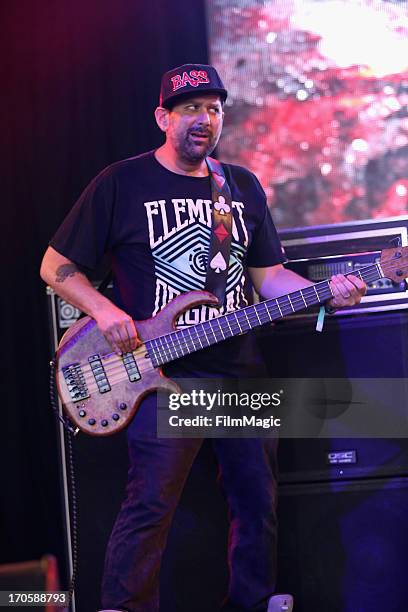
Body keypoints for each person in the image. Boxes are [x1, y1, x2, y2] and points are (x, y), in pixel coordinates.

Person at [40, 63, 366, 612]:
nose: (204, 119)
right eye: (191, 108)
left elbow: (267, 279)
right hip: (164, 373)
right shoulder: (122, 182)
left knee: (256, 503)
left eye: (214, 109)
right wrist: (106, 311)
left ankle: (253, 603)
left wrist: (326, 290)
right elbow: (55, 265)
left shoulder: (239, 185)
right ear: (162, 117)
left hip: (239, 368)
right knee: (150, 505)